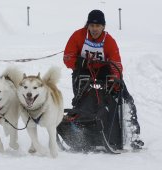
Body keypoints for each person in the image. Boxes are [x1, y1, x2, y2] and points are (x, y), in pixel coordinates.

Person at [62, 9, 144, 149]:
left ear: (103, 27)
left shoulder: (109, 40)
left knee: (126, 99)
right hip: (83, 71)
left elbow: (116, 63)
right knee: (81, 100)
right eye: (92, 26)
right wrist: (79, 63)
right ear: (87, 25)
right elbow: (67, 57)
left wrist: (115, 79)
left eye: (98, 26)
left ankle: (134, 136)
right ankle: (81, 132)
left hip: (104, 70)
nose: (95, 29)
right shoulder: (78, 36)